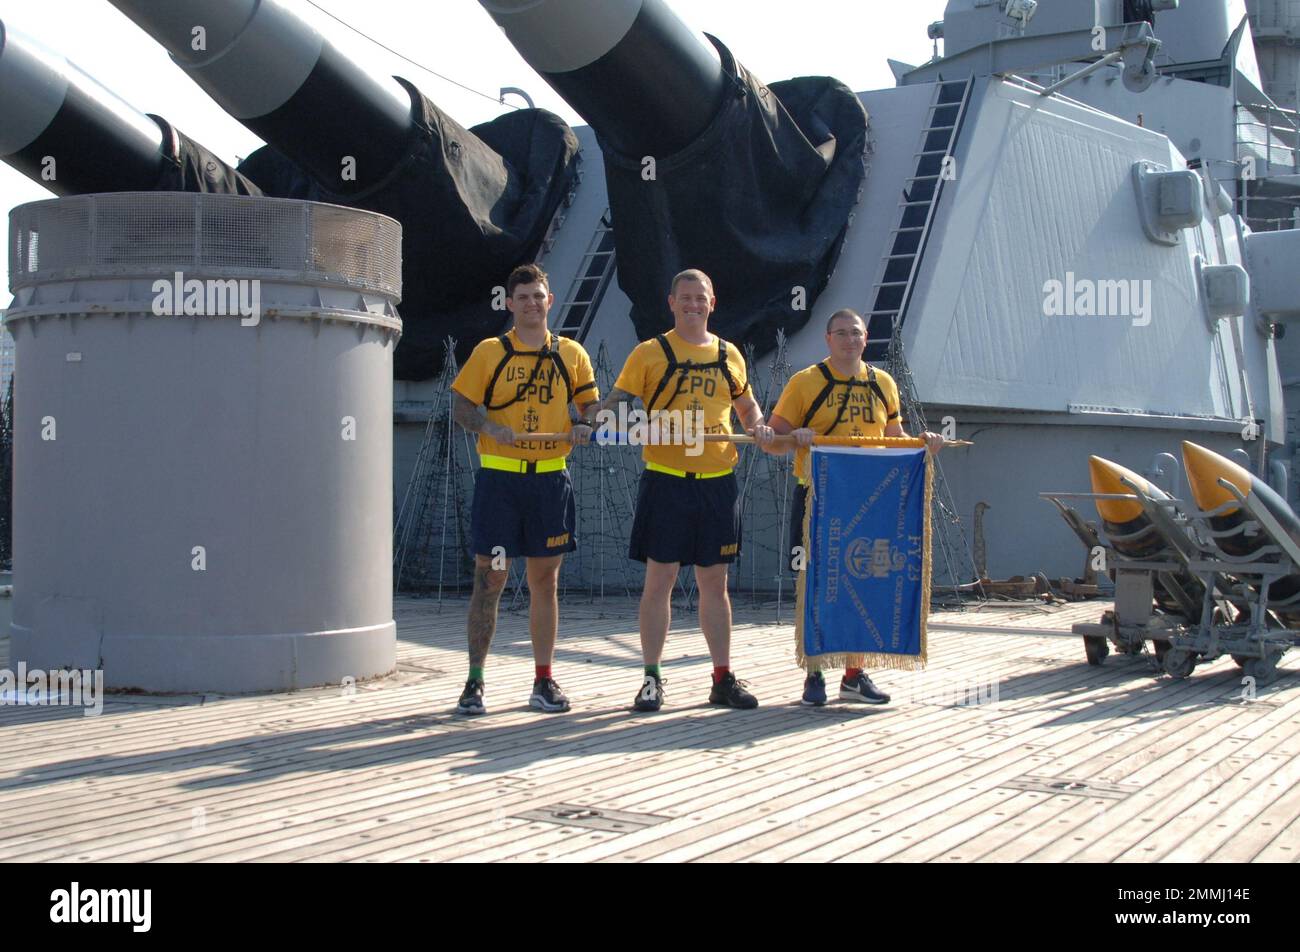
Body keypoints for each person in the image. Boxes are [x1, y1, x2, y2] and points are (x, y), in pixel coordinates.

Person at [583, 269, 775, 711]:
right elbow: (616, 405)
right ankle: (651, 678)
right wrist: (592, 421)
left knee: (715, 582)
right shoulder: (650, 353)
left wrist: (759, 427)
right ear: (671, 302)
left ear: (712, 302)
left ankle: (722, 678)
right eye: (685, 297)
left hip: (717, 482)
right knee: (660, 579)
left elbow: (746, 406)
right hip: (667, 481)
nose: (693, 304)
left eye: (700, 297)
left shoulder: (730, 354)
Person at [764, 308, 943, 706]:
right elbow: (771, 440)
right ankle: (814, 672)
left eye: (856, 334)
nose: (850, 340)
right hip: (819, 497)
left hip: (870, 499)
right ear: (828, 339)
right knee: (814, 581)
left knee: (863, 579)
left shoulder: (883, 383)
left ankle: (854, 673)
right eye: (841, 333)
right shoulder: (805, 382)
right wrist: (796, 437)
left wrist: (923, 441)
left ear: (866, 339)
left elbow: (895, 437)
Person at [449, 263, 598, 715]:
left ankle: (543, 680)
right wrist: (490, 425)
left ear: (550, 301)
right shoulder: (490, 352)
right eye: (523, 296)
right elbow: (461, 406)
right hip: (501, 483)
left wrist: (584, 426)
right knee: (490, 577)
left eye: (539, 295)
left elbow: (591, 405)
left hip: (550, 482)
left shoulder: (571, 353)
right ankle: (474, 682)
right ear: (509, 303)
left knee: (545, 581)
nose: (532, 303)